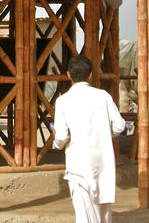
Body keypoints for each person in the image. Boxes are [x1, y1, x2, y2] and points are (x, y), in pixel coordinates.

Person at [53, 55, 125, 223]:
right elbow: (119, 126)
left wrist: (57, 141)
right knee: (104, 215)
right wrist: (103, 133)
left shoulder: (63, 101)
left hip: (79, 165)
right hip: (103, 164)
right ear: (91, 75)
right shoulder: (104, 97)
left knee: (84, 215)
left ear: (68, 75)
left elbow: (62, 136)